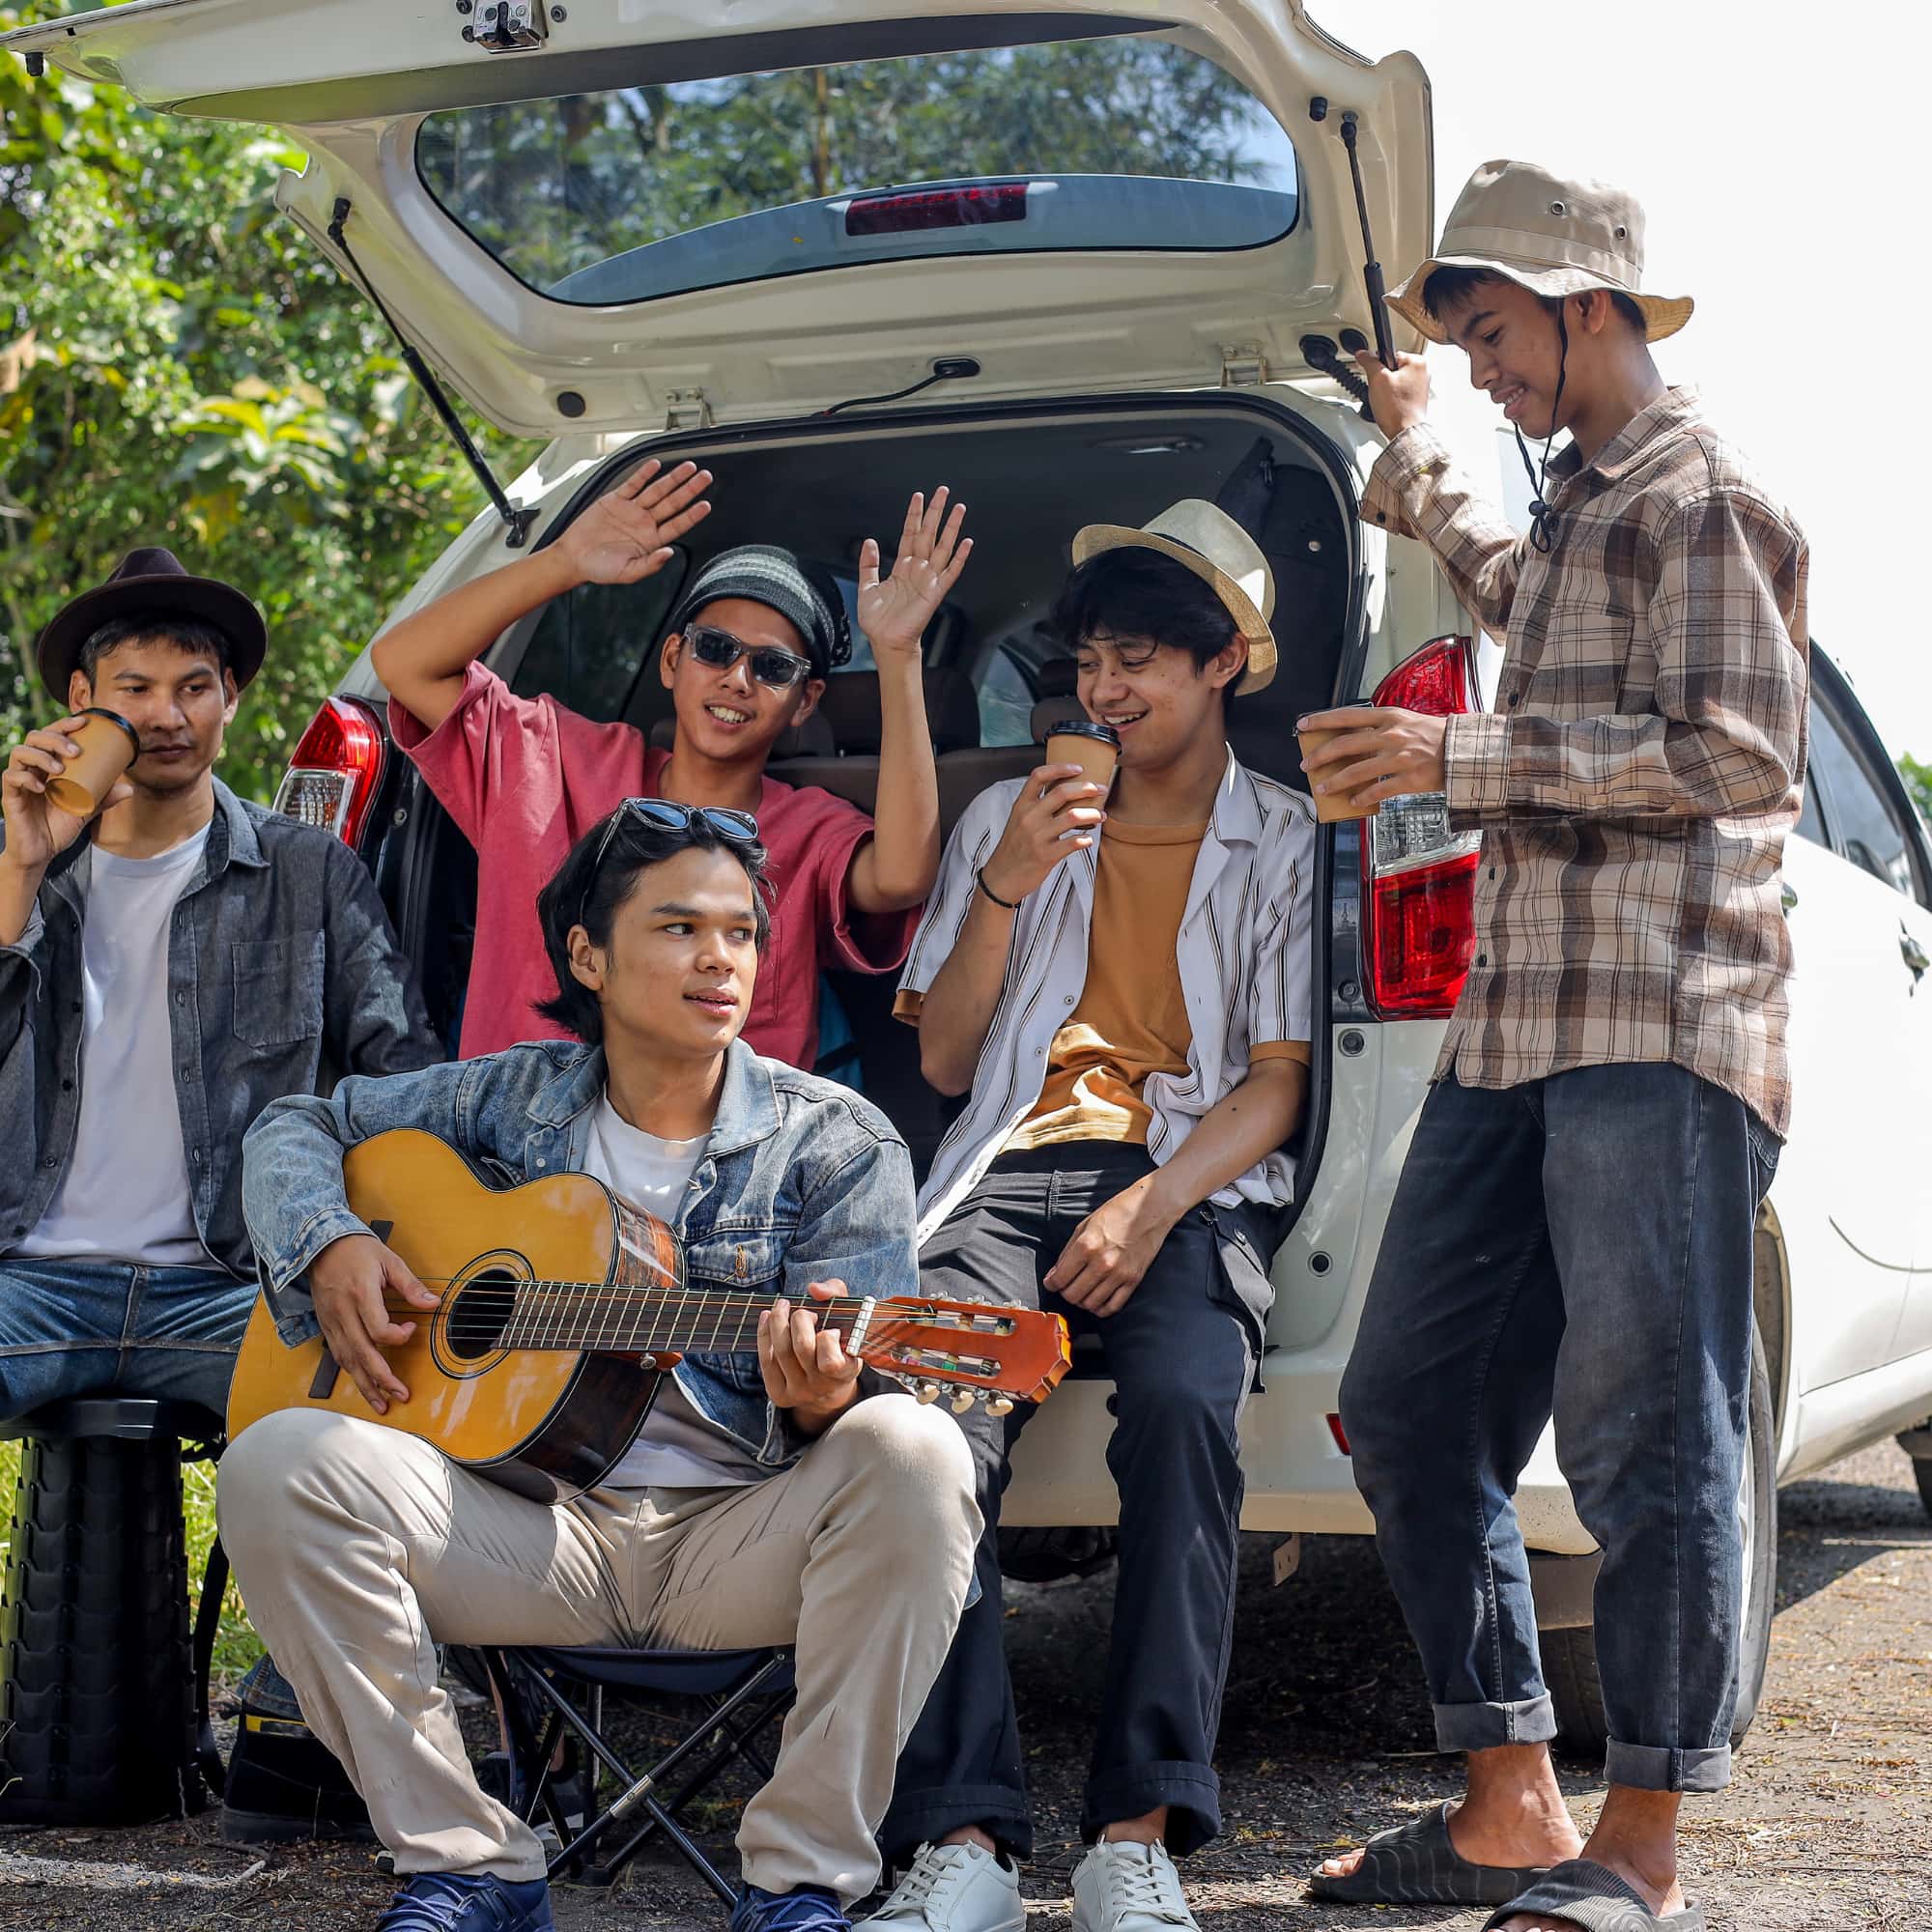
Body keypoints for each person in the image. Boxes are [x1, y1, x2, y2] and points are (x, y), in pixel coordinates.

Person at [1300, 162, 1807, 1932]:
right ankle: (1511, 1799)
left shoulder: (1711, 496)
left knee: (1647, 1435)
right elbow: (1517, 579)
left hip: (1663, 1027)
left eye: (1496, 332)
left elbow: (1743, 756)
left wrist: (1459, 766)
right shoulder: (1587, 505)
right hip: (1514, 1031)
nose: (1487, 361)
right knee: (1413, 1406)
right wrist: (1422, 431)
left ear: (1593, 304)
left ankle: (1643, 1849)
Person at [219, 803, 981, 1932]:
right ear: (588, 952)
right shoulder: (509, 1098)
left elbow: (864, 1404)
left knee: (917, 1445)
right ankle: (468, 1860)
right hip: (532, 1528)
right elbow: (296, 1122)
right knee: (277, 1459)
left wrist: (831, 1396)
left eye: (738, 931)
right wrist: (331, 1241)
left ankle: (801, 1884)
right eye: (678, 926)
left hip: (736, 1535)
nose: (718, 957)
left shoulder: (836, 1141)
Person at [861, 501, 1315, 1932]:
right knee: (923, 1413)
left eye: (1141, 664)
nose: (1107, 693)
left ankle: (1136, 1831)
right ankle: (968, 1841)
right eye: (1094, 663)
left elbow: (1279, 1085)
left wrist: (1153, 1210)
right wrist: (1004, 886)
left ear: (1224, 665)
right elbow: (942, 1068)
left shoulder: (1284, 837)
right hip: (1007, 1172)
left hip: (1183, 1178)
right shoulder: (1013, 820)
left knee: (1187, 1401)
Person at [0, 544, 438, 1421]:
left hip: (235, 1290)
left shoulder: (311, 874)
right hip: (26, 1284)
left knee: (401, 1411)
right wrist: (18, 868)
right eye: (135, 688)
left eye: (193, 688)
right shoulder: (18, 868)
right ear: (82, 703)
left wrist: (340, 1241)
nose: (165, 716)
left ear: (230, 698)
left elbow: (406, 1083)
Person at [372, 460, 970, 1067]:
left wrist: (897, 654)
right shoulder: (554, 758)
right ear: (671, 660)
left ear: (804, 702)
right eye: (715, 650)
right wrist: (562, 562)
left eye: (773, 668)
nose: (738, 679)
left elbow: (899, 877)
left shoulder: (810, 827)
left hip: (723, 1154)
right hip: (520, 1139)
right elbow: (405, 663)